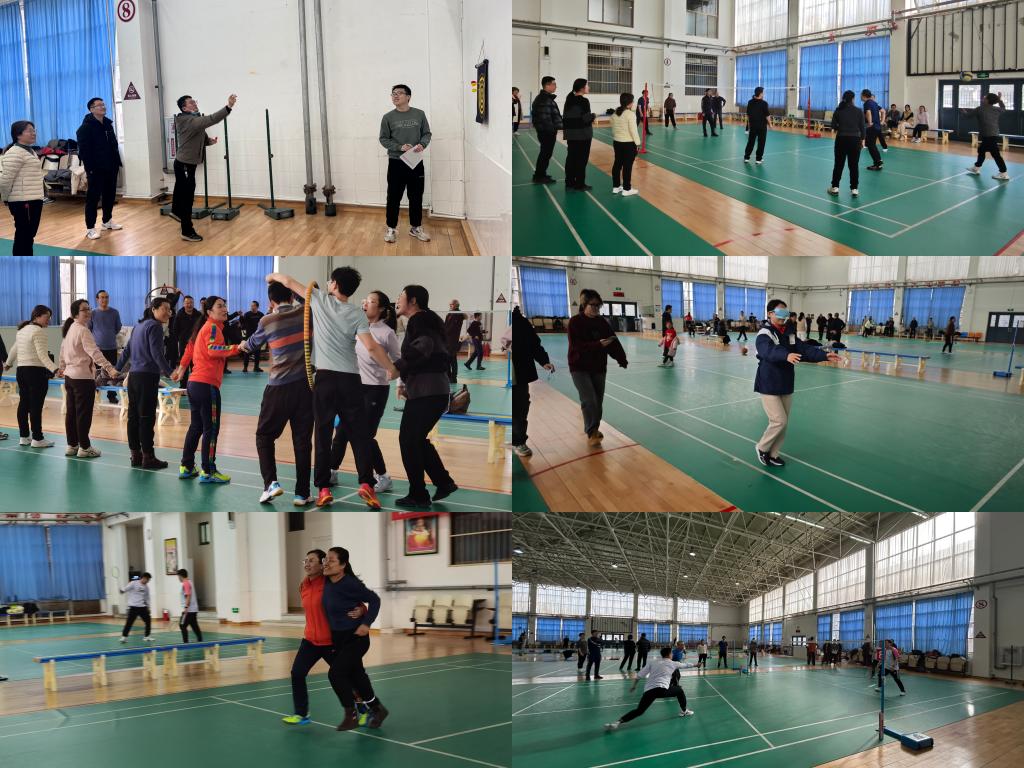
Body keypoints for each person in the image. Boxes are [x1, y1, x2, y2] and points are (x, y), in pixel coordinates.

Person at [266, 269, 399, 509]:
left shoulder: (318, 299)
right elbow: (371, 347)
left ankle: (324, 489)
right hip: (351, 380)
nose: (327, 283)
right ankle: (366, 483)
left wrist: (271, 277)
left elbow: (288, 280)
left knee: (323, 434)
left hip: (326, 380)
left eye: (330, 280)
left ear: (335, 285)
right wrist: (391, 368)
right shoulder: (357, 313)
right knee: (359, 435)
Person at [233, 282, 314, 505]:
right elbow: (307, 297)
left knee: (264, 436)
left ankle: (271, 484)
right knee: (302, 441)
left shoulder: (267, 321)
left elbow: (251, 345)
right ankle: (302, 493)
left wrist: (242, 345)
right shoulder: (305, 313)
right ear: (291, 295)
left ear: (271, 301)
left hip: (278, 388)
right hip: (305, 387)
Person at [328, 290, 401, 496]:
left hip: (375, 390)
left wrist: (400, 383)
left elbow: (399, 360)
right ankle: (331, 471)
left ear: (381, 308)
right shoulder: (357, 326)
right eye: (366, 300)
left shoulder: (386, 333)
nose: (366, 303)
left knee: (365, 436)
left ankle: (383, 477)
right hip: (353, 387)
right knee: (341, 432)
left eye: (371, 301)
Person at [392, 285, 459, 508]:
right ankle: (443, 482)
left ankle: (418, 494)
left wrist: (398, 367)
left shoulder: (419, 320)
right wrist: (405, 380)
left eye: (401, 296)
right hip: (431, 390)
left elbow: (424, 346)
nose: (397, 300)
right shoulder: (428, 319)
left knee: (408, 441)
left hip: (427, 391)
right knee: (416, 440)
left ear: (413, 301)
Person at [282, 549, 366, 726]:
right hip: (311, 640)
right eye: (305, 560)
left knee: (348, 677)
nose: (307, 564)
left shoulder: (333, 583)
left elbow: (359, 604)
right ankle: (302, 714)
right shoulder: (304, 585)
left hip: (332, 642)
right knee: (297, 673)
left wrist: (361, 610)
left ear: (322, 564)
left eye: (311, 560)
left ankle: (365, 709)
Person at [755, 300, 841, 467]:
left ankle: (773, 453)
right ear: (770, 314)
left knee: (784, 423)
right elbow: (767, 351)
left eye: (785, 313)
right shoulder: (764, 333)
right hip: (769, 382)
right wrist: (786, 355)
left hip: (786, 382)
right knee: (779, 421)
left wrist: (824, 355)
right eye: (779, 313)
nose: (784, 317)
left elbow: (803, 349)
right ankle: (762, 448)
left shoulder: (789, 332)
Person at [172, 296, 243, 484]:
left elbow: (189, 349)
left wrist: (181, 370)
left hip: (194, 384)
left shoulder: (205, 328)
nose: (225, 308)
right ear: (209, 312)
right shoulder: (212, 328)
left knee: (196, 426)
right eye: (220, 306)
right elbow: (213, 349)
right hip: (205, 385)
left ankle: (187, 466)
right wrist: (237, 348)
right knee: (210, 429)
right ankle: (208, 471)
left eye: (225, 305)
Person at [322, 546, 388, 730]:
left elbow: (374, 599)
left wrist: (366, 622)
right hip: (338, 638)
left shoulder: (350, 583)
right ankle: (378, 709)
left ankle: (350, 715)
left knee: (336, 674)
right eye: (325, 559)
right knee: (357, 676)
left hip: (355, 638)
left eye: (331, 560)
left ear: (343, 565)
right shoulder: (327, 581)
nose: (326, 563)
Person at [115, 297, 175, 469]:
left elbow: (127, 351)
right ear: (154, 309)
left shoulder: (139, 326)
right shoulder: (155, 326)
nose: (168, 313)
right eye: (165, 308)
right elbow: (157, 354)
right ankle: (148, 457)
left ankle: (136, 455)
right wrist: (170, 372)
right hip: (147, 377)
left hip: (134, 377)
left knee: (133, 417)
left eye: (170, 309)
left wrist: (116, 369)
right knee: (146, 418)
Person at [58, 299, 122, 458]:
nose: (88, 312)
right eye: (84, 310)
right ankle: (85, 447)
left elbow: (62, 351)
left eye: (89, 308)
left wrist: (62, 367)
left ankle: (72, 445)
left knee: (72, 413)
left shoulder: (71, 328)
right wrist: (110, 368)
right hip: (82, 378)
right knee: (83, 414)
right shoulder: (82, 330)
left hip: (70, 377)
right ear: (75, 314)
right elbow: (94, 352)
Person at [172, 93, 237, 242]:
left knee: (183, 194)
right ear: (184, 108)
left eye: (194, 101)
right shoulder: (188, 120)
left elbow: (195, 136)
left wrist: (208, 141)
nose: (194, 103)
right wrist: (228, 107)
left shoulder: (190, 119)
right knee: (187, 199)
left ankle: (176, 212)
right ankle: (187, 231)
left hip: (185, 164)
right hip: (185, 165)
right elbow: (212, 119)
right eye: (191, 103)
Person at [568, 289, 627, 447]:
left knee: (598, 401)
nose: (596, 308)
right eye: (593, 305)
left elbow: (612, 341)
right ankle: (591, 432)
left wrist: (621, 358)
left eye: (598, 306)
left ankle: (594, 429)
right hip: (579, 367)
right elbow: (576, 346)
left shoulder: (601, 322)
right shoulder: (575, 322)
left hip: (598, 367)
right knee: (589, 399)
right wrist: (597, 345)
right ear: (584, 304)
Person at [379, 84, 432, 243]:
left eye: (399, 93)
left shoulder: (419, 114)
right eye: (393, 93)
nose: (395, 96)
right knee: (393, 196)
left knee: (416, 196)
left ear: (408, 97)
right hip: (396, 162)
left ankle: (415, 228)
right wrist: (399, 147)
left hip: (415, 161)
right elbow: (383, 139)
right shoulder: (388, 117)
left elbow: (426, 133)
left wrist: (422, 144)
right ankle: (391, 228)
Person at [4, 305, 57, 446]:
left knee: (24, 404)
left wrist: (8, 363)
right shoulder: (39, 331)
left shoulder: (22, 330)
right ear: (37, 316)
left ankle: (24, 437)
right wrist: (55, 369)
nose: (49, 320)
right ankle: (38, 439)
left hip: (21, 371)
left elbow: (14, 349)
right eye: (47, 317)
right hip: (35, 373)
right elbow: (42, 356)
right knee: (36, 406)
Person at [605, 647, 693, 730]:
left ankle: (617, 722)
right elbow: (686, 665)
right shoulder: (673, 663)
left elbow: (639, 675)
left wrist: (634, 686)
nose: (672, 655)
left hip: (649, 691)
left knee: (639, 711)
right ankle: (684, 711)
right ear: (669, 654)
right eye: (671, 653)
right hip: (662, 690)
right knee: (679, 690)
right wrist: (696, 664)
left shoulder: (652, 662)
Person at [76, 98, 123, 241]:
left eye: (103, 104)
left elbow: (113, 145)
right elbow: (84, 152)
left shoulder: (108, 124)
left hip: (111, 166)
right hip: (96, 169)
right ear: (91, 109)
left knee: (109, 195)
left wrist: (116, 162)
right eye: (99, 105)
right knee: (93, 198)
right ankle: (90, 228)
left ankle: (107, 221)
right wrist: (90, 168)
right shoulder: (85, 128)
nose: (103, 107)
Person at [511, 305, 553, 458]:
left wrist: (544, 361)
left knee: (520, 408)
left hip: (519, 374)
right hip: (501, 372)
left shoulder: (521, 322)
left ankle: (519, 441)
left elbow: (534, 344)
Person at [0, 121, 44, 255]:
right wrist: (6, 198)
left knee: (29, 235)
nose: (34, 133)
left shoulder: (30, 150)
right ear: (18, 134)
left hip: (34, 199)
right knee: (23, 235)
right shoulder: (14, 153)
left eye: (34, 130)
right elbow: (5, 180)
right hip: (22, 201)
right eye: (30, 131)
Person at [963, 92, 1009, 180]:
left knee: (995, 154)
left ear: (987, 100)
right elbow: (1003, 108)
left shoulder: (980, 109)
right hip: (993, 134)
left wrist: (964, 111)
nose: (983, 98)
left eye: (984, 98)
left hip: (988, 135)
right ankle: (976, 168)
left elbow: (968, 116)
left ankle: (1004, 173)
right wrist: (999, 100)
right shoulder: (997, 109)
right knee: (981, 150)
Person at [88, 290, 123, 405]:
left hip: (111, 348)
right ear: (97, 299)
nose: (105, 299)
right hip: (97, 349)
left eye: (106, 297)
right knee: (96, 374)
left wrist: (109, 335)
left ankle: (112, 396)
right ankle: (94, 396)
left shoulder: (115, 312)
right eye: (102, 297)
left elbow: (117, 328)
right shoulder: (92, 313)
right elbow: (89, 329)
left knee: (112, 373)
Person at [828, 91, 865, 197]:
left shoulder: (838, 110)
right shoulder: (859, 111)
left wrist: (841, 127)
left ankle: (835, 188)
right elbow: (862, 127)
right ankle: (854, 189)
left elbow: (833, 126)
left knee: (838, 164)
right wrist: (862, 140)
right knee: (854, 165)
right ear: (853, 99)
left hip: (841, 139)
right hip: (855, 140)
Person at [562, 78, 596, 191]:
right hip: (582, 135)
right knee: (581, 160)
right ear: (582, 88)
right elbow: (586, 119)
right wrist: (593, 116)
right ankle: (580, 184)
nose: (588, 87)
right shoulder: (584, 101)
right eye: (587, 85)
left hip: (571, 134)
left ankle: (569, 182)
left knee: (571, 158)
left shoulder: (569, 99)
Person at [531, 76, 562, 184]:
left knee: (545, 153)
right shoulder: (544, 99)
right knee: (545, 154)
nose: (556, 86)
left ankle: (541, 174)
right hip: (546, 132)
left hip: (546, 131)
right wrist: (552, 129)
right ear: (547, 85)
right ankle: (539, 176)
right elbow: (545, 119)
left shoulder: (545, 98)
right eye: (554, 84)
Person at [610, 92, 641, 196]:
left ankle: (616, 187)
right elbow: (633, 131)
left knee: (617, 164)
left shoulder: (615, 113)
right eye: (633, 101)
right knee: (627, 166)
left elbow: (613, 128)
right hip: (628, 144)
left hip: (617, 142)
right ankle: (627, 189)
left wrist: (617, 136)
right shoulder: (630, 114)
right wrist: (638, 143)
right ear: (630, 103)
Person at [171, 295, 200, 388]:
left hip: (196, 344)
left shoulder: (198, 315)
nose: (189, 305)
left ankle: (196, 386)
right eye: (187, 303)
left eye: (191, 303)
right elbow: (175, 330)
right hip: (183, 343)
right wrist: (178, 340)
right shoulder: (179, 315)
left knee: (195, 365)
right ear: (183, 304)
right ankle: (183, 386)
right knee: (184, 365)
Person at [119, 573, 153, 643]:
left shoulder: (146, 587)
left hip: (142, 607)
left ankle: (147, 636)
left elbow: (147, 598)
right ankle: (124, 637)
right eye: (148, 579)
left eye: (149, 580)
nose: (148, 581)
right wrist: (122, 591)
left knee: (148, 621)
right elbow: (126, 588)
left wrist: (148, 607)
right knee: (129, 623)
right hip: (133, 607)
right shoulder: (133, 583)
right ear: (144, 578)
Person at [743, 87, 771, 164]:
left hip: (753, 126)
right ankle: (758, 159)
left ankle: (746, 157)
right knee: (761, 142)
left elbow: (748, 115)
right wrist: (770, 124)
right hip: (762, 127)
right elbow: (767, 116)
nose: (763, 94)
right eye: (763, 92)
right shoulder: (764, 103)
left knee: (750, 142)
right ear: (761, 93)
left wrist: (749, 125)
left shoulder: (750, 102)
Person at [443, 299, 467, 384]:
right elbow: (445, 326)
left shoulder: (458, 314)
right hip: (446, 341)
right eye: (450, 304)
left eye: (452, 304)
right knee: (447, 360)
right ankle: (448, 376)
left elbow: (466, 316)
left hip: (453, 341)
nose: (450, 306)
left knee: (453, 360)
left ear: (456, 305)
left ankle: (454, 377)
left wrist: (459, 311)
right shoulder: (449, 314)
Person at [860, 90, 885, 172]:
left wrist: (870, 122)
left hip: (872, 127)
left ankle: (878, 163)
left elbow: (868, 112)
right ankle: (878, 161)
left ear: (864, 95)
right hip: (877, 127)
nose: (860, 96)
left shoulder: (867, 103)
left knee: (871, 145)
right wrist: (882, 121)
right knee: (871, 145)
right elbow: (883, 111)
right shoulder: (874, 103)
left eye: (861, 95)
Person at [177, 568, 203, 643]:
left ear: (181, 576)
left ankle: (185, 643)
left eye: (178, 576)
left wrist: (186, 607)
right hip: (193, 609)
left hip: (189, 610)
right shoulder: (190, 582)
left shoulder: (186, 583)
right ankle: (200, 640)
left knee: (182, 625)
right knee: (194, 625)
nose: (178, 578)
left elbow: (188, 595)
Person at [241, 301, 265, 373]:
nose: (252, 307)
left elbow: (263, 324)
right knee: (246, 352)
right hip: (248, 336)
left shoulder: (261, 314)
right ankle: (245, 367)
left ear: (257, 307)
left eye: (253, 305)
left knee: (257, 352)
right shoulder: (247, 314)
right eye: (251, 306)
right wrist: (241, 317)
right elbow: (242, 324)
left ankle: (256, 367)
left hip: (257, 336)